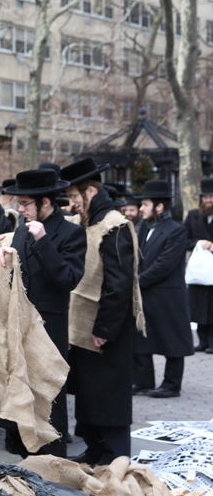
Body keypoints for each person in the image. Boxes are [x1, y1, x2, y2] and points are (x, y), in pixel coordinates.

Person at [62, 159, 144, 465]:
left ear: (91, 192)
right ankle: (96, 448)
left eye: (74, 197)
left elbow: (119, 284)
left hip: (106, 330)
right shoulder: (88, 222)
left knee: (108, 397)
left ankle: (116, 454)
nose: (71, 204)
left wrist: (104, 329)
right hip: (86, 327)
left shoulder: (114, 225)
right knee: (88, 393)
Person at [2, 168, 86, 457]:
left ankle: (52, 460)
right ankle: (24, 454)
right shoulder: (21, 229)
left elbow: (68, 279)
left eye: (25, 204)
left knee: (49, 393)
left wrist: (43, 242)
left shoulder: (72, 233)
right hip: (20, 323)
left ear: (46, 203)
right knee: (22, 389)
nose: (20, 209)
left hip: (50, 326)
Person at [134, 179, 194, 397]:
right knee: (141, 338)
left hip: (168, 296)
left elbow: (164, 265)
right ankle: (143, 381)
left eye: (146, 205)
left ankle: (171, 385)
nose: (141, 209)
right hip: (147, 294)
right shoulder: (144, 228)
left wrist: (136, 282)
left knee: (172, 342)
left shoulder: (176, 230)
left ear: (159, 206)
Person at [184, 179, 213, 352]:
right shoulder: (193, 215)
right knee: (198, 306)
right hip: (199, 270)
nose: (208, 200)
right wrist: (199, 243)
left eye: (211, 197)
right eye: (206, 197)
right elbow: (183, 240)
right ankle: (202, 341)